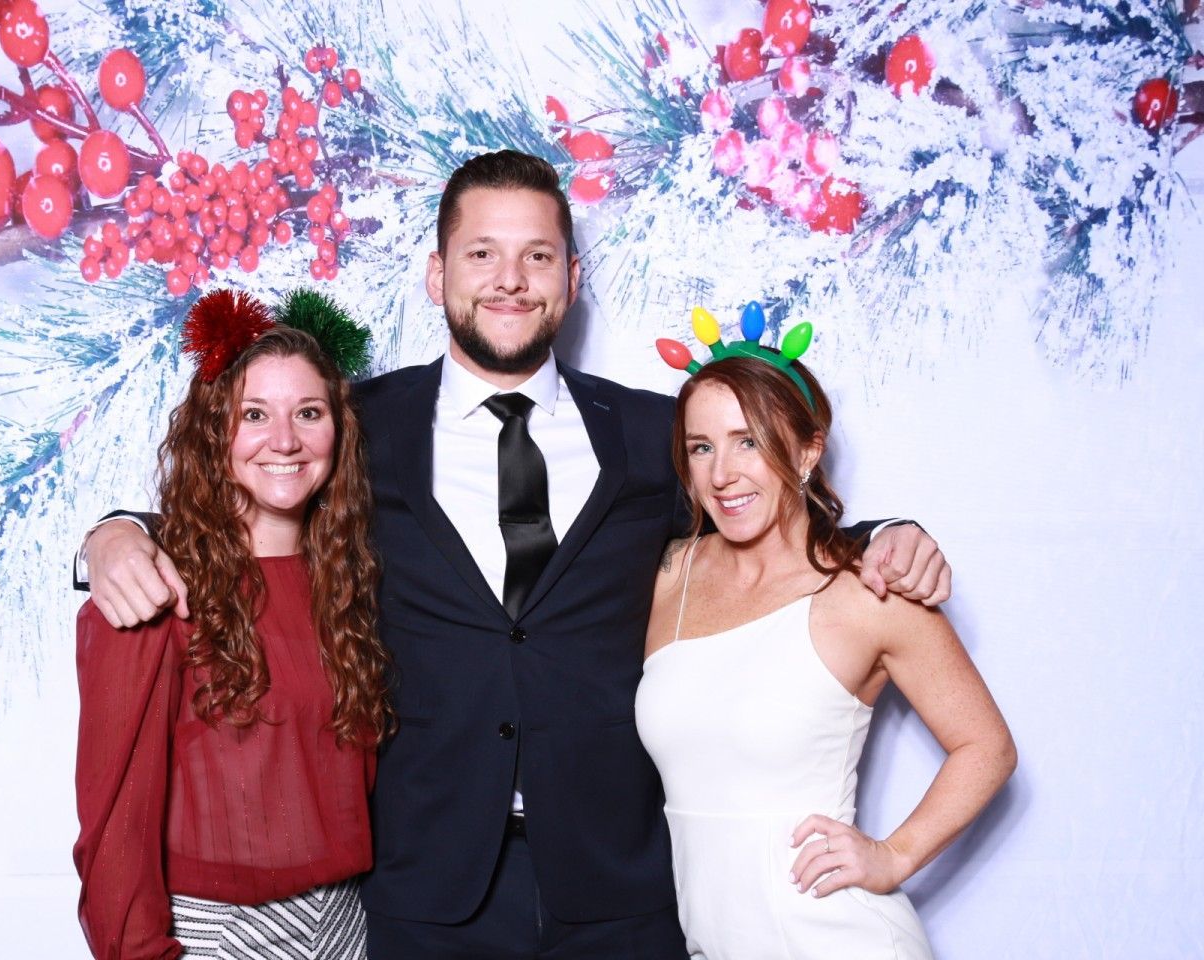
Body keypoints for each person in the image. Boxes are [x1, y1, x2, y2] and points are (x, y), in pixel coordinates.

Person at [80, 150, 953, 959]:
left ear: (572, 280)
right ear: (437, 274)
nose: (509, 280)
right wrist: (117, 531)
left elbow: (758, 507)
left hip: (619, 886)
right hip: (425, 889)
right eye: (482, 255)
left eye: (538, 257)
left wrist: (880, 538)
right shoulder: (356, 426)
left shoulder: (655, 433)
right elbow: (246, 489)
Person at [636, 343, 1016, 959]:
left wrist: (893, 856)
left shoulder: (868, 591)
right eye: (701, 447)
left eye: (749, 441)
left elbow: (988, 747)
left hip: (837, 939)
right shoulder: (668, 574)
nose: (722, 473)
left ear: (808, 450)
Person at [73, 293, 391, 960]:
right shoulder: (155, 590)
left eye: (308, 413)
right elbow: (115, 824)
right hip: (217, 935)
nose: (284, 440)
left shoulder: (355, 579)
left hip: (349, 927)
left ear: (339, 431)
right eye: (254, 415)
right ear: (215, 432)